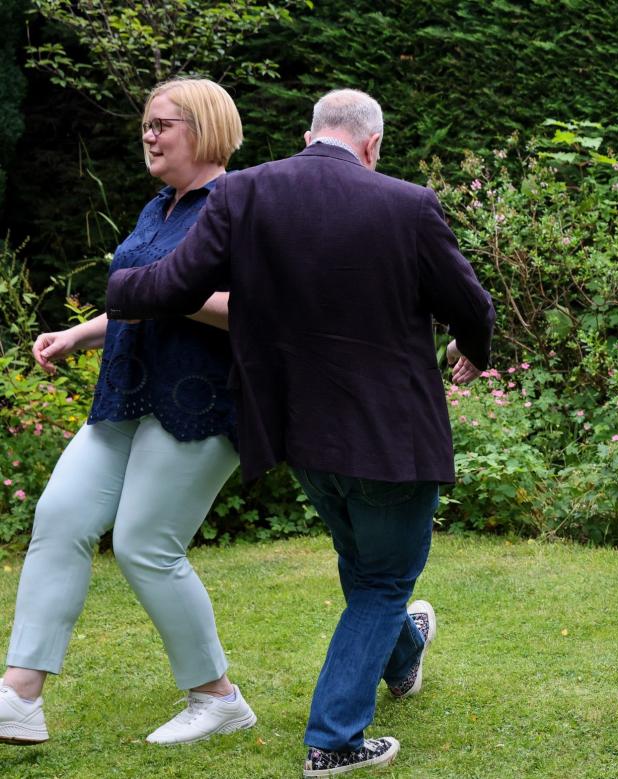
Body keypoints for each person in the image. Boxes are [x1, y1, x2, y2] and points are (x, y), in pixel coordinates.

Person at [104, 89, 495, 777]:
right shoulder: (408, 205)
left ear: (309, 134)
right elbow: (470, 302)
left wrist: (119, 287)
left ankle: (405, 653)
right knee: (381, 579)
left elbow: (177, 284)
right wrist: (475, 348)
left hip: (302, 434)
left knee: (367, 567)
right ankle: (334, 740)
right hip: (392, 438)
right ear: (372, 146)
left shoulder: (244, 194)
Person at [0, 79, 256, 747]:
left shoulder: (239, 205)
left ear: (201, 129)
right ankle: (19, 696)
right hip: (125, 392)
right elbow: (138, 294)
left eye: (163, 124)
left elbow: (255, 312)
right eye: (146, 124)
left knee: (146, 543)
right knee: (59, 517)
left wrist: (176, 292)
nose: (149, 135)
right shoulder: (158, 209)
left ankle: (217, 696)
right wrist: (79, 334)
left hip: (199, 402)